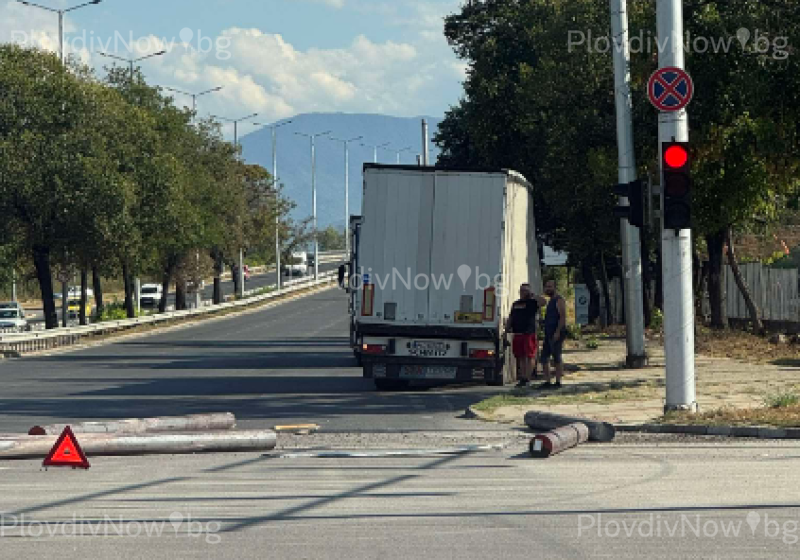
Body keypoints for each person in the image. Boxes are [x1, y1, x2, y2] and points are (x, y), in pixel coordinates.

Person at [506, 283, 546, 388]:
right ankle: (523, 377)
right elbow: (511, 317)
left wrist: (533, 295)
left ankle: (528, 378)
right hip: (518, 333)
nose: (523, 292)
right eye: (522, 290)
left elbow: (543, 302)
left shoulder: (533, 303)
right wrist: (506, 330)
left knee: (530, 355)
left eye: (525, 290)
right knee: (521, 356)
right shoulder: (516, 304)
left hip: (529, 333)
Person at [538, 278, 567, 389]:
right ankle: (547, 381)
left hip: (556, 332)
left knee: (556, 357)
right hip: (548, 332)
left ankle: (558, 382)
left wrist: (558, 332)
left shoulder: (559, 300)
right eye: (546, 287)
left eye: (550, 287)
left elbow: (562, 317)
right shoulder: (550, 301)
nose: (548, 289)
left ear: (555, 288)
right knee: (544, 357)